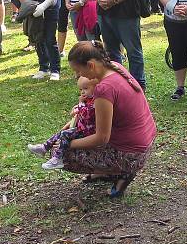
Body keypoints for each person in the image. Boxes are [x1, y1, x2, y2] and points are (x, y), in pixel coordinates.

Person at [60, 41, 157, 198]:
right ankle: (108, 171)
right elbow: (94, 114)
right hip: (145, 141)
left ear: (91, 65)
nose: (78, 76)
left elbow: (101, 138)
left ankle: (120, 170)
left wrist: (67, 144)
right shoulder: (114, 67)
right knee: (78, 137)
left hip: (132, 154)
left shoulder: (104, 89)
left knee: (63, 155)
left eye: (79, 71)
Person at [28, 75, 96, 170]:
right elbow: (78, 111)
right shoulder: (88, 99)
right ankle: (44, 147)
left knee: (65, 134)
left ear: (96, 87)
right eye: (81, 89)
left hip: (88, 132)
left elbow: (86, 114)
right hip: (82, 128)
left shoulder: (96, 101)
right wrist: (76, 109)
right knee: (61, 133)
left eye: (85, 88)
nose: (82, 92)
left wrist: (80, 104)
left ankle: (57, 158)